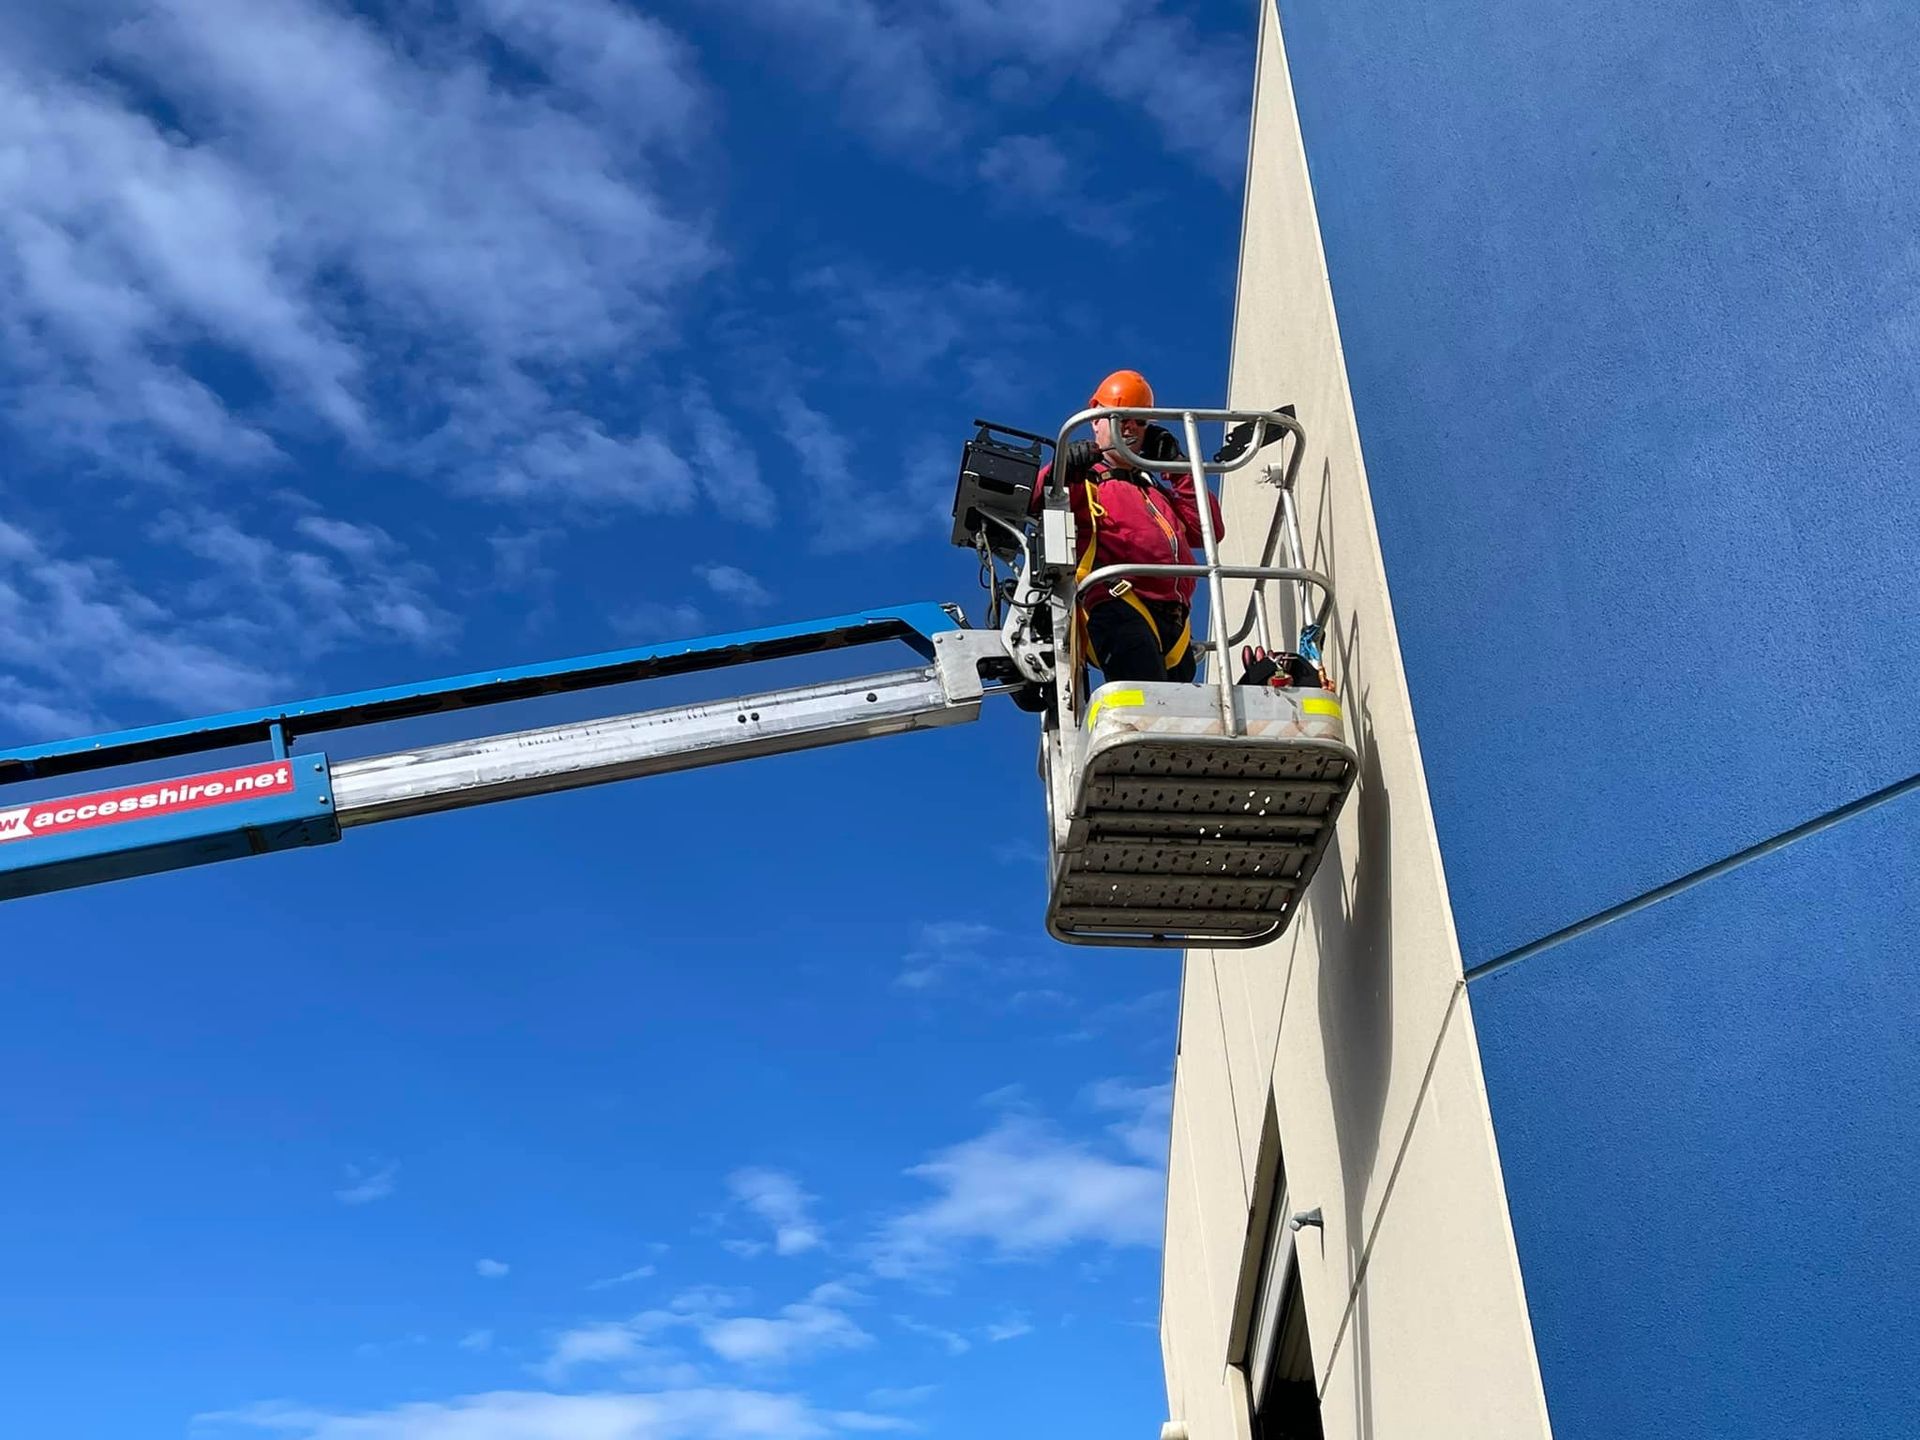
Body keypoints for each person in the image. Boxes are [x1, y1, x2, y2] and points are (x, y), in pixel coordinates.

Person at [1030, 369, 1226, 685]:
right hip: (1118, 603)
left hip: (1175, 622)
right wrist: (1063, 467)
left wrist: (1178, 467)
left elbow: (1209, 530)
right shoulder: (1084, 479)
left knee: (1178, 719)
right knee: (1150, 704)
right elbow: (1034, 500)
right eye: (1121, 418)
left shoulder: (1155, 486)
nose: (1130, 428)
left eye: (1139, 421)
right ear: (1096, 420)